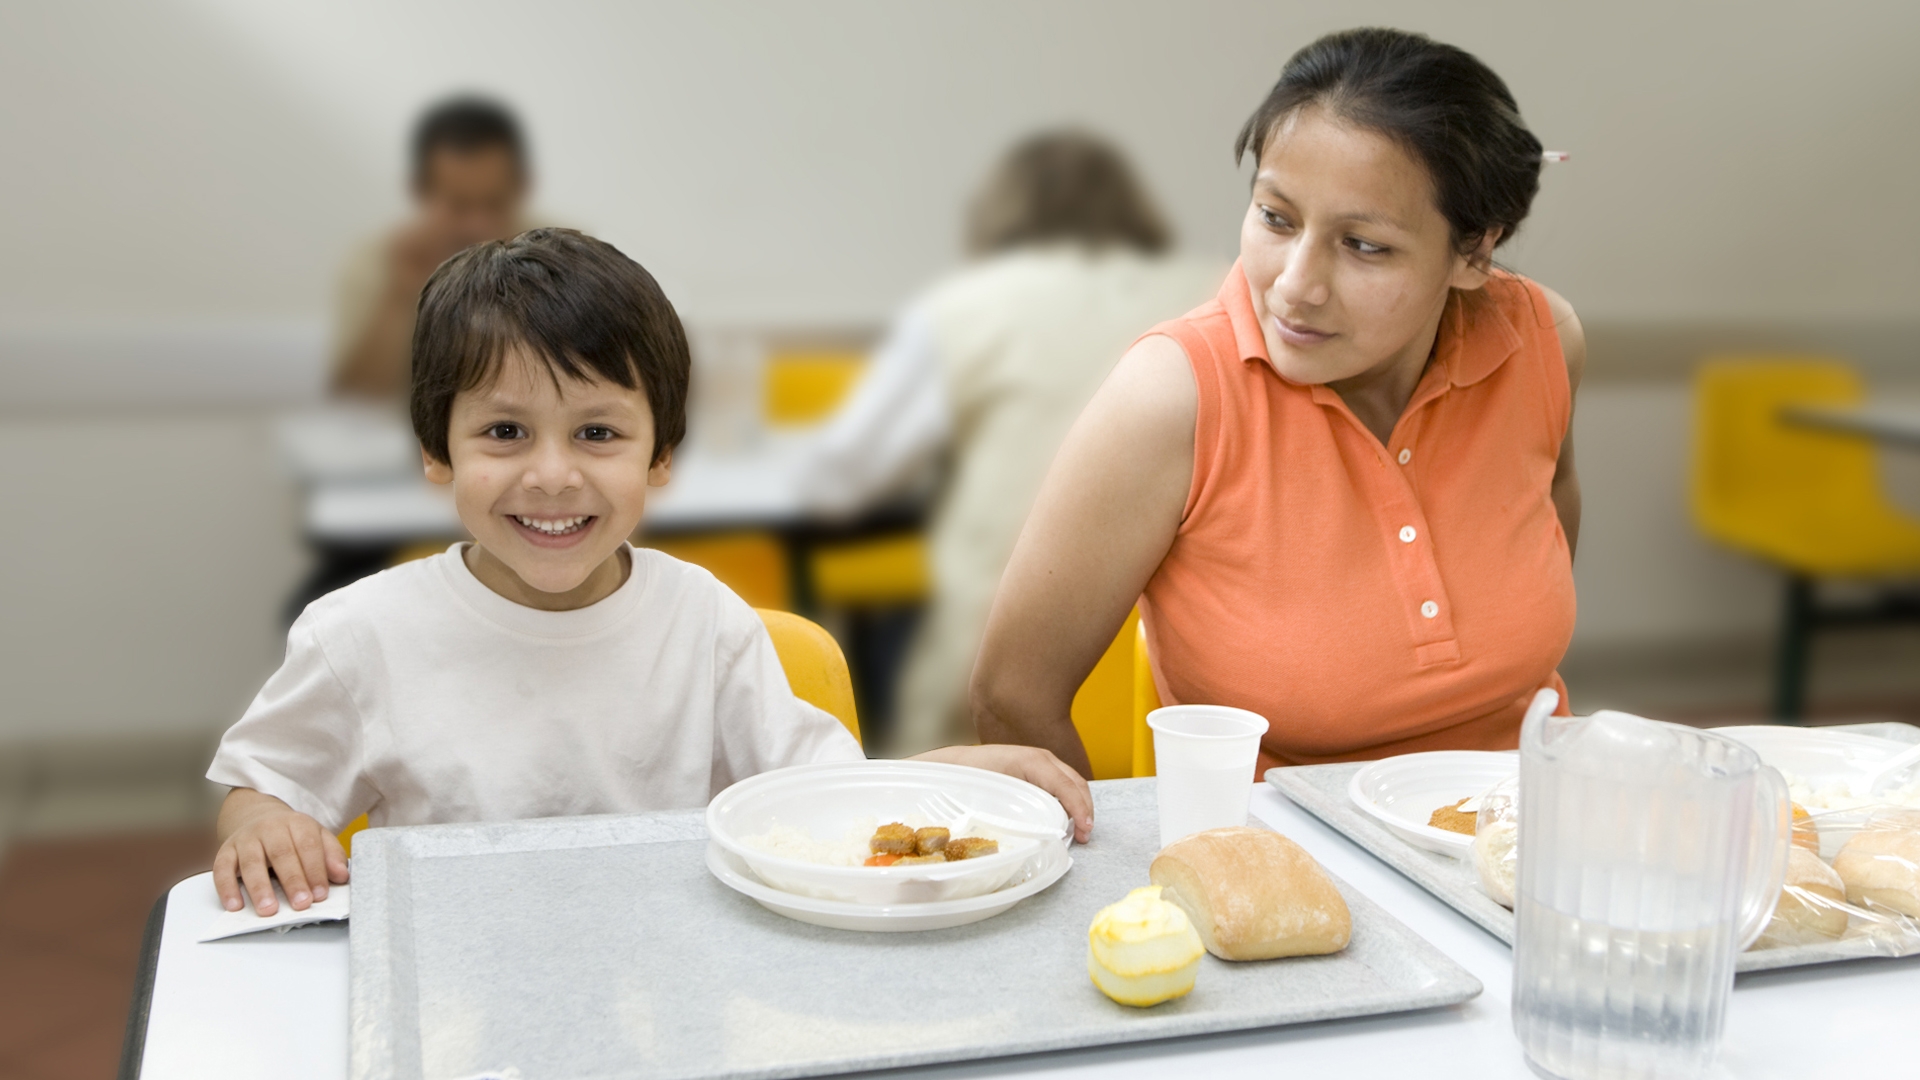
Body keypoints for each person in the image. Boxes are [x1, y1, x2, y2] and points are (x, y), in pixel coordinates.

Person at [209, 230, 1093, 916]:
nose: (552, 474)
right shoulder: (357, 634)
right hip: (459, 996)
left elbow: (824, 800)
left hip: (674, 988)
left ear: (660, 455)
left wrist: (954, 782)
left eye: (598, 433)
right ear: (437, 451)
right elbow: (264, 790)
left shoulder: (703, 620)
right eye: (504, 432)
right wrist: (263, 827)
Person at [972, 28, 1585, 778]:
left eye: (1363, 245)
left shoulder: (1543, 341)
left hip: (1515, 838)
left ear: (1475, 251)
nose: (1296, 285)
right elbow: (1012, 699)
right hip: (1285, 867)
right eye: (1276, 217)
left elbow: (1547, 526)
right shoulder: (1173, 397)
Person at [793, 131, 1221, 755]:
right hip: (1170, 707)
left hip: (990, 707)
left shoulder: (964, 309)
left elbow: (837, 479)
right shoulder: (1208, 295)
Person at [332, 96, 536, 399]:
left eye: (495, 203)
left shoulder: (569, 253)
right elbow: (357, 395)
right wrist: (400, 295)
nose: (477, 225)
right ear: (420, 190)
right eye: (459, 205)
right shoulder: (380, 260)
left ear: (522, 185)